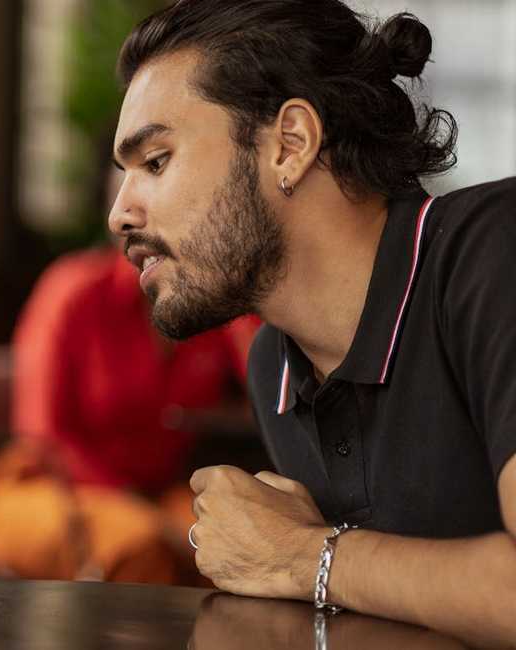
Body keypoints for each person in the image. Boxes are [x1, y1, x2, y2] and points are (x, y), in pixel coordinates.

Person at [108, 0, 515, 645]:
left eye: (156, 161)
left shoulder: (494, 255)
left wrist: (305, 555)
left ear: (290, 145)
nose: (120, 215)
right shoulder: (274, 364)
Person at [0, 243, 259, 584]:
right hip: (50, 485)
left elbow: (269, 388)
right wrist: (140, 507)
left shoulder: (205, 299)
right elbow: (42, 435)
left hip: (155, 491)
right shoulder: (75, 289)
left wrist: (239, 299)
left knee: (237, 545)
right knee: (141, 548)